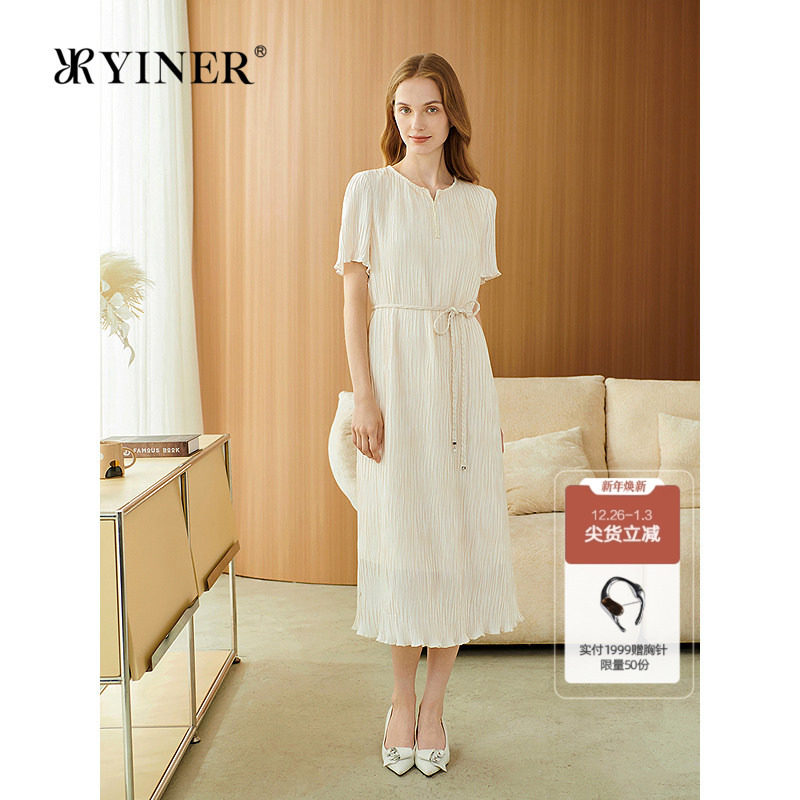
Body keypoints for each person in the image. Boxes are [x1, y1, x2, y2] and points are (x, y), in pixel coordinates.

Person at [332, 53, 523, 776]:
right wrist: (365, 396)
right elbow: (355, 301)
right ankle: (401, 700)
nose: (416, 122)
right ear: (394, 117)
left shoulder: (480, 202)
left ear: (452, 117)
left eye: (431, 108)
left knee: (458, 546)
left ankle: (437, 708)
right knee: (406, 540)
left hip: (462, 381)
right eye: (404, 109)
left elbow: (472, 312)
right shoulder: (369, 191)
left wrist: (483, 409)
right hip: (396, 375)